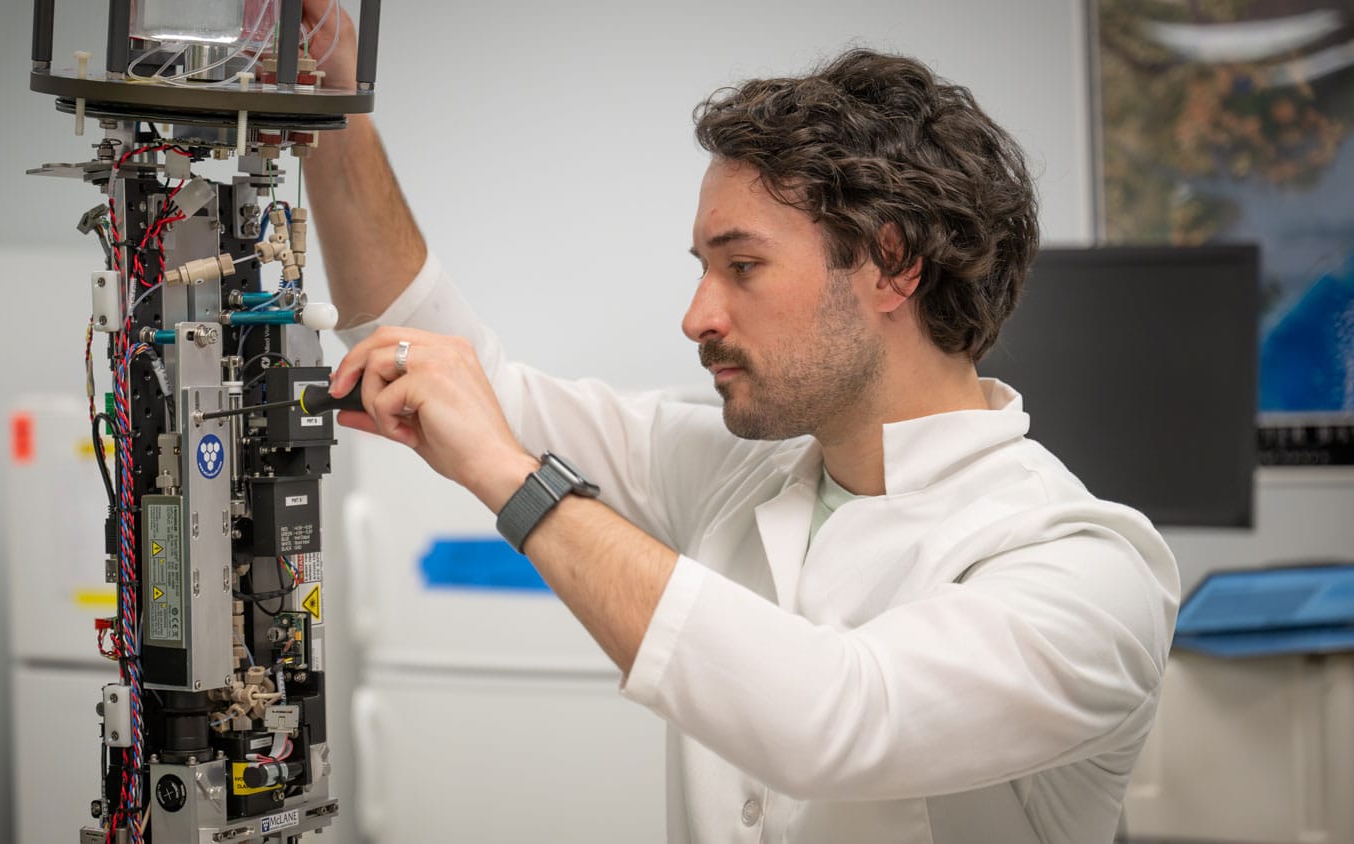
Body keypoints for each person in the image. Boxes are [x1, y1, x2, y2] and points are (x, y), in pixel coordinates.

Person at [301, 3, 1180, 841]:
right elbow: (430, 363)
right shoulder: (739, 470)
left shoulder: (1084, 567)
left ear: (892, 267)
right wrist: (333, 103)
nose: (696, 316)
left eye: (744, 267)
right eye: (702, 269)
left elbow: (834, 716)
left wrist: (516, 482)